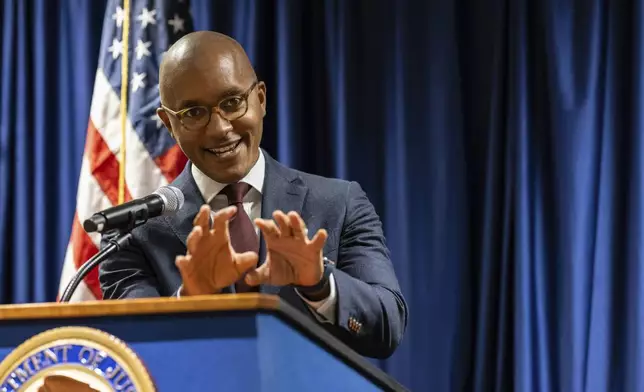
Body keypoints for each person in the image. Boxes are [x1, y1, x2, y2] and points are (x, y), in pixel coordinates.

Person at [98, 31, 408, 359]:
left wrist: (319, 283)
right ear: (168, 123)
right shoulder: (131, 232)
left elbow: (388, 326)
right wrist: (188, 299)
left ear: (260, 99)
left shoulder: (340, 203)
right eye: (193, 113)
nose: (219, 128)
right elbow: (131, 356)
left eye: (232, 103)